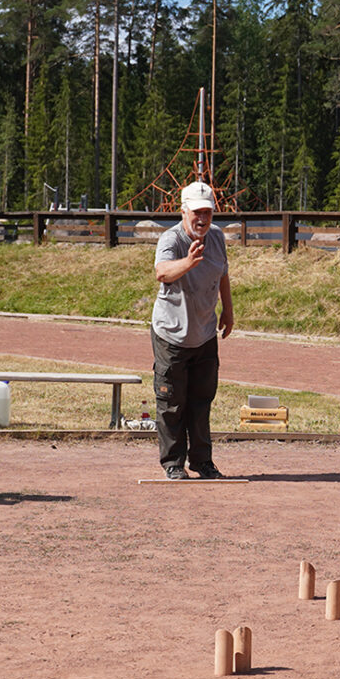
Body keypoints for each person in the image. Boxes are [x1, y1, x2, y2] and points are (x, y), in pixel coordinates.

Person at [150, 181, 234, 479]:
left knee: (201, 399)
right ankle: (173, 463)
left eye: (208, 213)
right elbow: (162, 272)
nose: (203, 218)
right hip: (171, 334)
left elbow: (222, 271)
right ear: (183, 211)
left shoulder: (216, 237)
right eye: (197, 212)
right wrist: (187, 262)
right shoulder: (171, 240)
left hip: (204, 332)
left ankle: (202, 461)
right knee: (172, 401)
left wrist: (228, 309)